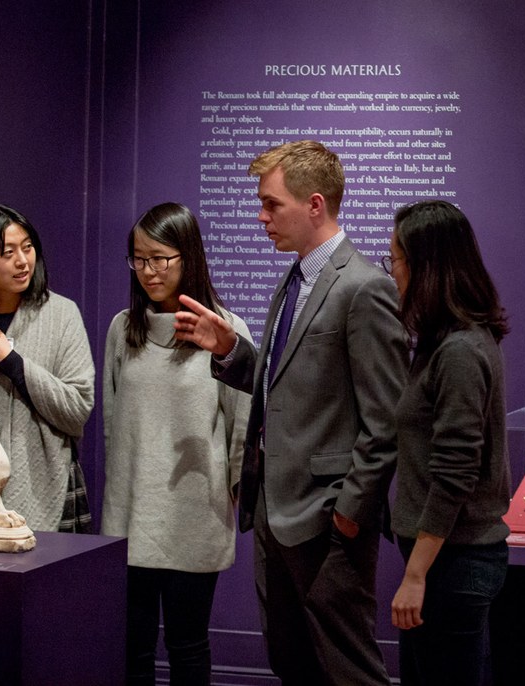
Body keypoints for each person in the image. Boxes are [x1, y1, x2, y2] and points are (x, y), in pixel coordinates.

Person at [174, 140, 408, 685]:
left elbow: (386, 420)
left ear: (315, 205)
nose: (261, 216)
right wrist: (230, 350)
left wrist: (349, 511)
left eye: (272, 204)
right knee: (293, 663)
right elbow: (287, 385)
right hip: (275, 518)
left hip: (327, 524)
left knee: (348, 670)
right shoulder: (295, 278)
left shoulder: (365, 287)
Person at [101, 202, 251, 685]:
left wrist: (235, 487)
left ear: (187, 257)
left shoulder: (224, 330)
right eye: (139, 259)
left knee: (188, 645)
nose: (149, 271)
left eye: (160, 258)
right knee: (132, 646)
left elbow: (242, 422)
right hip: (130, 512)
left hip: (194, 512)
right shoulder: (124, 329)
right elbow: (112, 421)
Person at [385, 200, 511, 686]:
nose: (392, 271)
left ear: (425, 267)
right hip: (446, 562)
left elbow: (455, 473)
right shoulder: (449, 341)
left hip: (453, 565)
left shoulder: (459, 350)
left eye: (395, 258)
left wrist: (415, 575)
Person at [0, 204, 94, 533]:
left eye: (27, 248)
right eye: (7, 253)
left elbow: (77, 408)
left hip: (51, 485)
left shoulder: (61, 314)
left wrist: (14, 363)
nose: (22, 261)